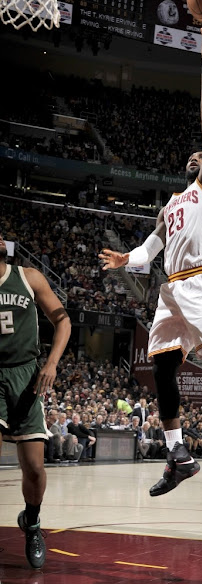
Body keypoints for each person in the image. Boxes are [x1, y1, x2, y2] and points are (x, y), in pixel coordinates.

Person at [99, 19, 202, 497]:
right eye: (194, 154)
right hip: (171, 288)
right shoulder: (169, 205)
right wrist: (123, 259)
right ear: (184, 164)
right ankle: (178, 455)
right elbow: (151, 250)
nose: (199, 154)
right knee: (164, 366)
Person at [0, 233, 71, 569]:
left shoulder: (28, 277)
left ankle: (32, 522)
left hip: (27, 376)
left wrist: (52, 363)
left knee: (35, 468)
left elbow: (63, 321)